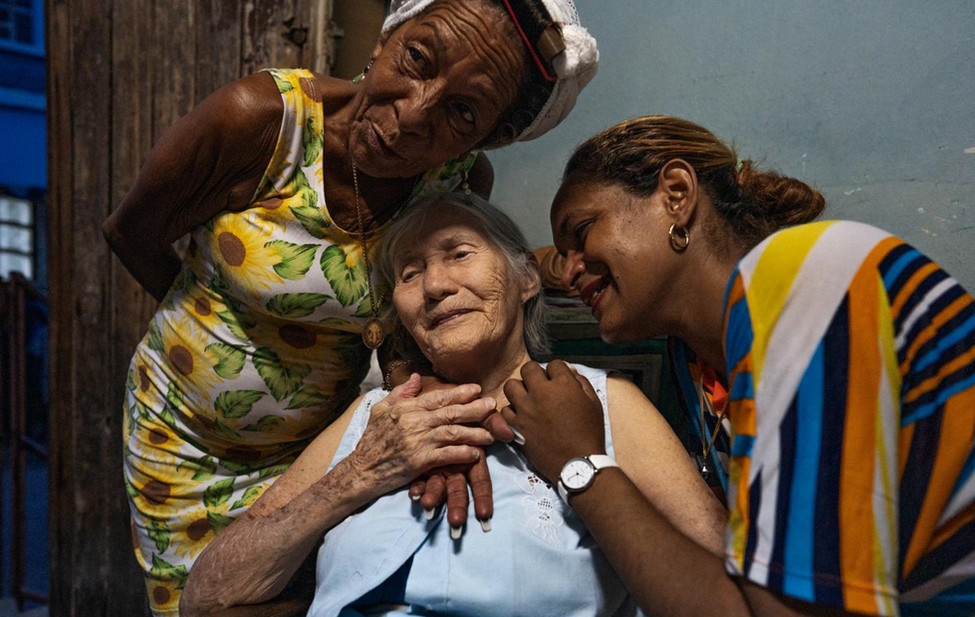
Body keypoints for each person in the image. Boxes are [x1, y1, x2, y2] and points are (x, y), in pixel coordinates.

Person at [102, 0, 599, 612]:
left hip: (314, 452)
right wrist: (219, 332)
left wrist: (406, 410)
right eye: (417, 58)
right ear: (386, 37)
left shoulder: (456, 184)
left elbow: (402, 323)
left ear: (485, 136)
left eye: (462, 112)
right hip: (185, 440)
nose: (415, 112)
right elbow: (131, 233)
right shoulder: (260, 121)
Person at [502, 115, 975, 616]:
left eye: (582, 231)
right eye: (563, 252)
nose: (571, 267)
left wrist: (581, 464)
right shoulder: (701, 368)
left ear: (676, 194)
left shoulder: (808, 277)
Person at [178, 194, 726, 615]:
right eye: (409, 274)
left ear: (526, 278)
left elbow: (728, 581)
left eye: (459, 253)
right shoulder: (375, 418)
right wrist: (363, 473)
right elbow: (204, 596)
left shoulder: (603, 402)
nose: (434, 285)